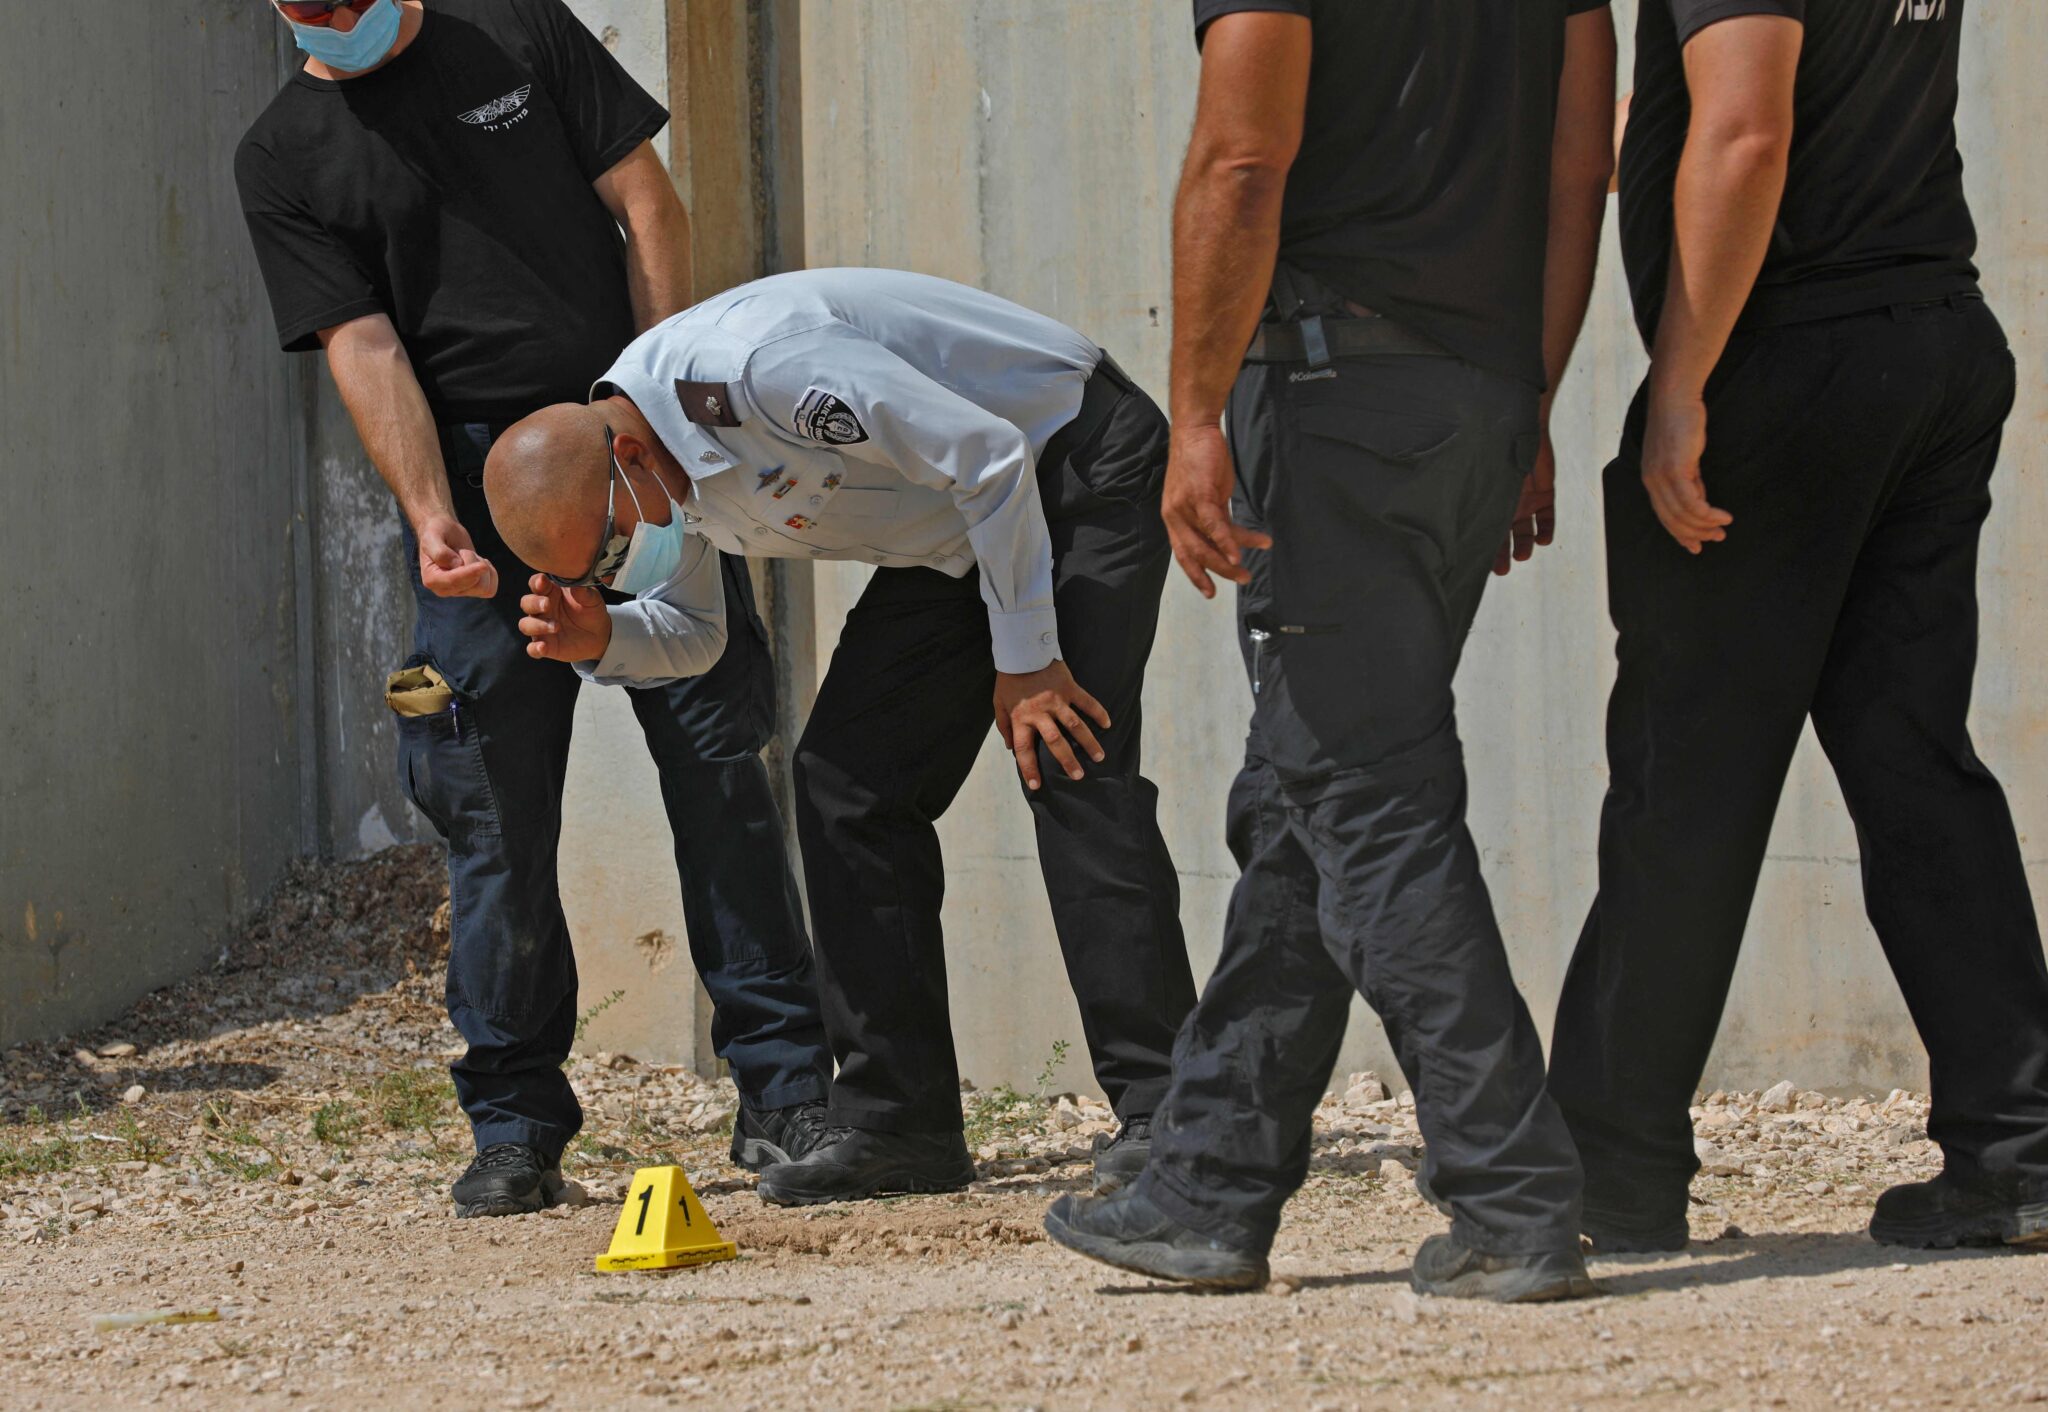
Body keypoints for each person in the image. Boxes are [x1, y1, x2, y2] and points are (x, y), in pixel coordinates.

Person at [1043, 0, 1617, 1301]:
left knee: (1364, 796)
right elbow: (1580, 166)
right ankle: (1209, 1181)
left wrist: (1195, 414)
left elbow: (1242, 159)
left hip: (1332, 389)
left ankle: (1512, 1196)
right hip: (1470, 399)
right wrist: (1529, 395)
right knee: (1313, 784)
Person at [234, 0, 834, 1219]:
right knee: (488, 810)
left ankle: (785, 1091)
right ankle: (513, 1121)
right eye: (306, 7)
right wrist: (425, 511)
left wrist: (654, 409)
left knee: (718, 768)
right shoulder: (284, 152)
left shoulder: (512, 27)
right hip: (467, 477)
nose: (331, 19)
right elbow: (364, 345)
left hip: (617, 438)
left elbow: (646, 204)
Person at [479, 267, 1201, 1205]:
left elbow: (986, 454)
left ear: (631, 459)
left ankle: (1175, 1111)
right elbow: (697, 635)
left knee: (1067, 758)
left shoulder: (757, 372)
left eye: (613, 549)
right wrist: (604, 636)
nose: (623, 568)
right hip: (959, 531)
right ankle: (900, 1126)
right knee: (844, 783)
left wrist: (1025, 662)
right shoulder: (651, 464)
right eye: (602, 569)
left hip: (1067, 459)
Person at [1546, 0, 2048, 1254]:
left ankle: (1613, 1168)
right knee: (1910, 759)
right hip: (1928, 333)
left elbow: (1748, 131)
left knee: (1684, 777)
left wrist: (1676, 383)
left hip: (1788, 358)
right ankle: (2017, 1150)